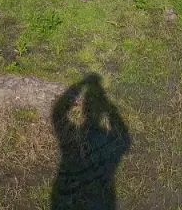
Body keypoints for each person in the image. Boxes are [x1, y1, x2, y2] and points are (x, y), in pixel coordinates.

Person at [51, 73, 130, 209]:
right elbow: (124, 138)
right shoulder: (108, 140)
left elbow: (58, 113)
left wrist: (81, 85)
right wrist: (108, 106)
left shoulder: (72, 137)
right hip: (99, 200)